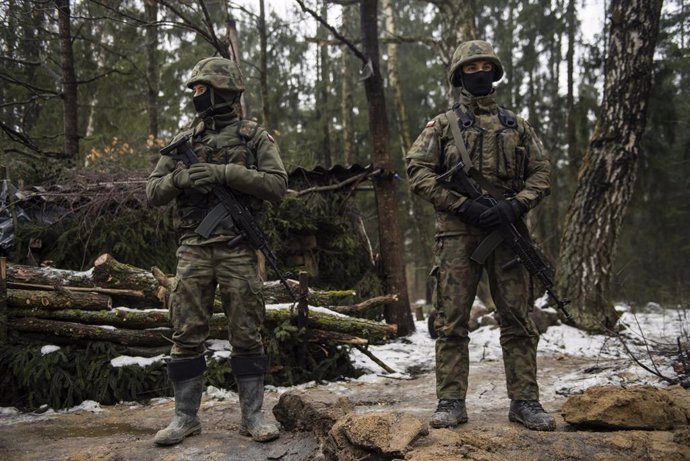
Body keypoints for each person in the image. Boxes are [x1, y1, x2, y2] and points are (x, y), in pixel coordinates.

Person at [405, 40, 555, 431]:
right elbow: (417, 171)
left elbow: (542, 173)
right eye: (472, 68)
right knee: (451, 320)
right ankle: (451, 401)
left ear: (496, 72)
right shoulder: (441, 126)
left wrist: (517, 204)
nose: (480, 73)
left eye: (487, 66)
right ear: (459, 76)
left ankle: (525, 401)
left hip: (507, 233)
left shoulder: (516, 126)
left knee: (518, 320)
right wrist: (459, 205)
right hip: (457, 235)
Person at [146, 57, 288, 446]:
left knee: (246, 332)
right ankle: (185, 417)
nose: (194, 97)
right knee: (185, 331)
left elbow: (277, 186)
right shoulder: (184, 142)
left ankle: (253, 416)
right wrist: (180, 177)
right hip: (193, 249)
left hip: (239, 249)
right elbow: (152, 192)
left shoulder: (254, 137)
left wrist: (225, 174)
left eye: (200, 89)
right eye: (193, 90)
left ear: (222, 91)